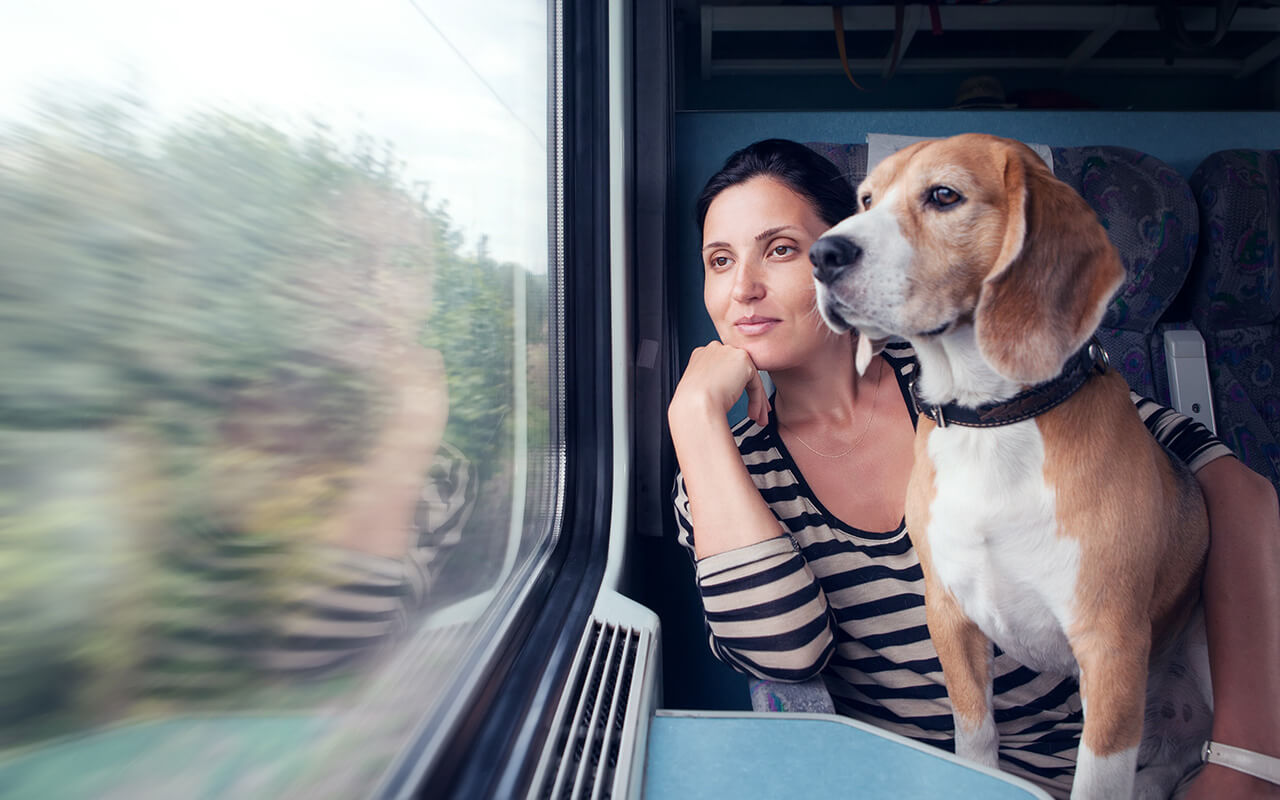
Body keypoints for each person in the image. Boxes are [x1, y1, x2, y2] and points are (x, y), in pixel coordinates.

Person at [668, 138, 1280, 799]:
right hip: (920, 782)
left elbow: (1233, 489)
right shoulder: (720, 474)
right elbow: (783, 654)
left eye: (782, 248)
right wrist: (696, 418)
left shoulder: (982, 372)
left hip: (1099, 761)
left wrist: (1248, 762)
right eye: (719, 261)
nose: (742, 289)